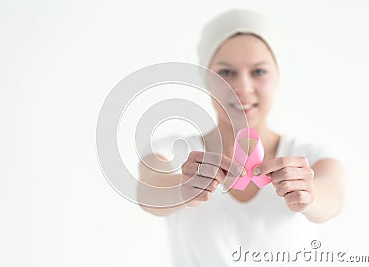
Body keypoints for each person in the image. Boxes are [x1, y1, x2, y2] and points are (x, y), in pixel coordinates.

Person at [137, 9, 344, 266]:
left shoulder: (311, 156)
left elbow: (332, 199)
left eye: (258, 72)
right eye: (226, 72)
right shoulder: (174, 150)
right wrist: (181, 188)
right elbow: (148, 192)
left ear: (277, 76)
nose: (243, 88)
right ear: (206, 78)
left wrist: (309, 194)